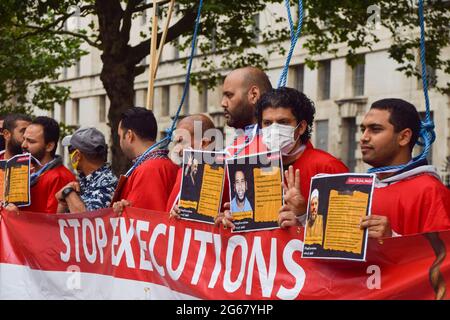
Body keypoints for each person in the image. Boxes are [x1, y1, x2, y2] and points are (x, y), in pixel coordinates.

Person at [217, 87, 349, 229]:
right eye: (267, 123)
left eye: (283, 122)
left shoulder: (328, 167)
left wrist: (304, 219)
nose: (274, 130)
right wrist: (229, 218)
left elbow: (346, 229)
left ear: (301, 127)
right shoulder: (249, 167)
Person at [359, 98, 450, 238]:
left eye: (375, 130)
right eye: (363, 129)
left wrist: (392, 239)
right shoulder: (358, 188)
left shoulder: (430, 191)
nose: (364, 138)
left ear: (404, 137)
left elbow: (442, 255)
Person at [112, 107, 178, 213]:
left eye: (120, 136)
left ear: (129, 135)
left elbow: (142, 219)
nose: (120, 142)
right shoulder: (167, 165)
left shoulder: (149, 170)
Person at [5, 116, 75, 213]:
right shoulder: (26, 172)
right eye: (24, 139)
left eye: (31, 141)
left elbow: (52, 223)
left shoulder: (59, 177)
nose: (23, 145)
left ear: (49, 146)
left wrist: (17, 217)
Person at [55, 127, 117, 213]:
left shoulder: (106, 183)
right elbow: (60, 220)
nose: (70, 155)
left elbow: (85, 220)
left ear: (77, 155)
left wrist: (68, 192)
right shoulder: (87, 180)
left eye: (70, 150)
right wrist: (64, 198)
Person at [167, 114, 216, 217]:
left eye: (181, 142)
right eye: (175, 143)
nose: (177, 149)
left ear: (204, 144)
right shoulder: (182, 172)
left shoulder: (224, 176)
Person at [221, 66, 272, 156]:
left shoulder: (275, 146)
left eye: (229, 95)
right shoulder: (237, 145)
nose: (223, 103)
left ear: (254, 95)